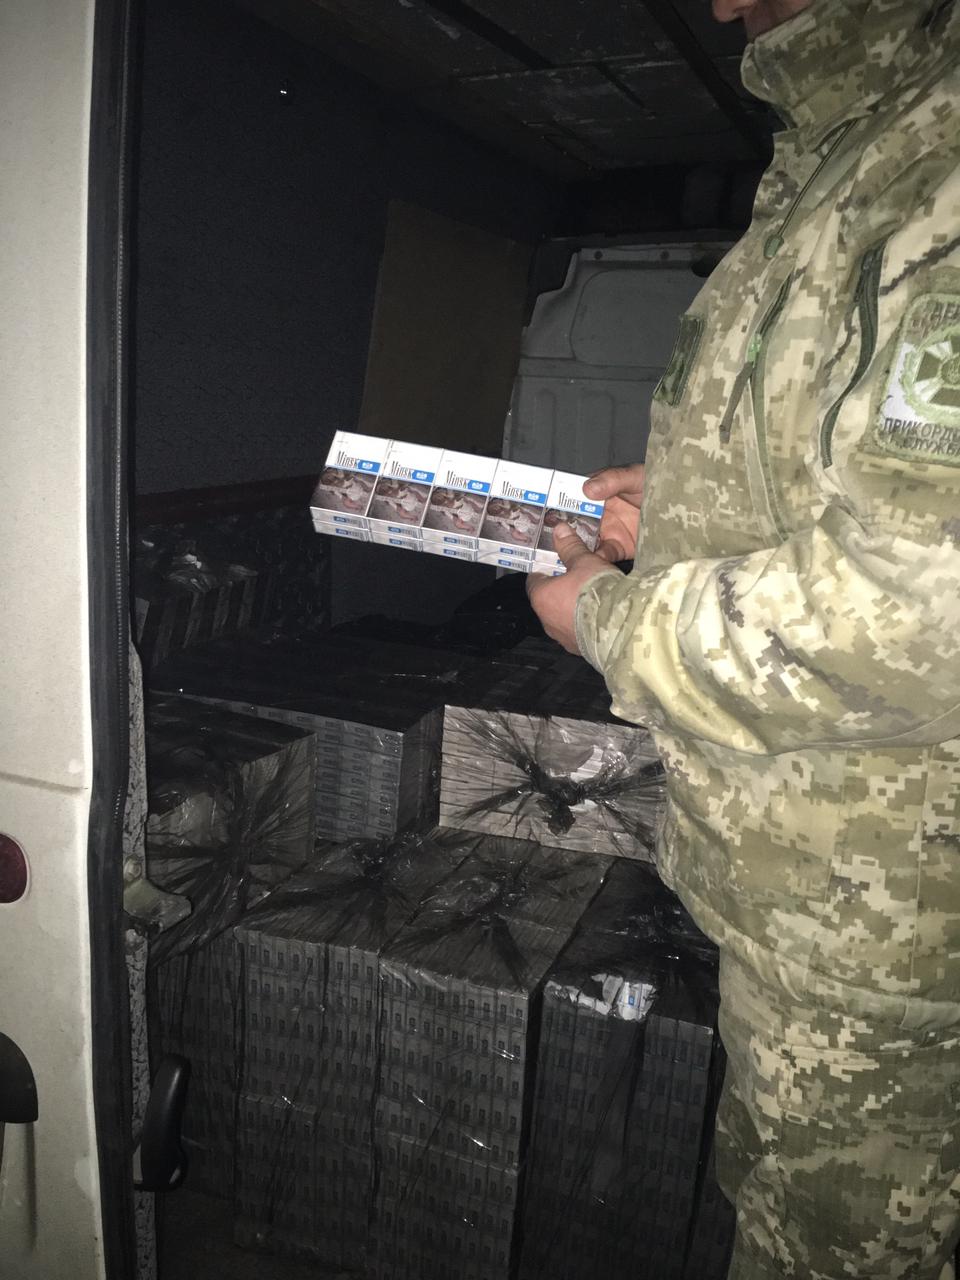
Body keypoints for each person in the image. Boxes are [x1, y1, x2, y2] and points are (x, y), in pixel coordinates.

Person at [527, 1, 960, 1276]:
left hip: (889, 935)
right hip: (810, 898)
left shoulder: (932, 150)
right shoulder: (840, 147)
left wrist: (606, 618)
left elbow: (922, 607)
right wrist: (684, 509)